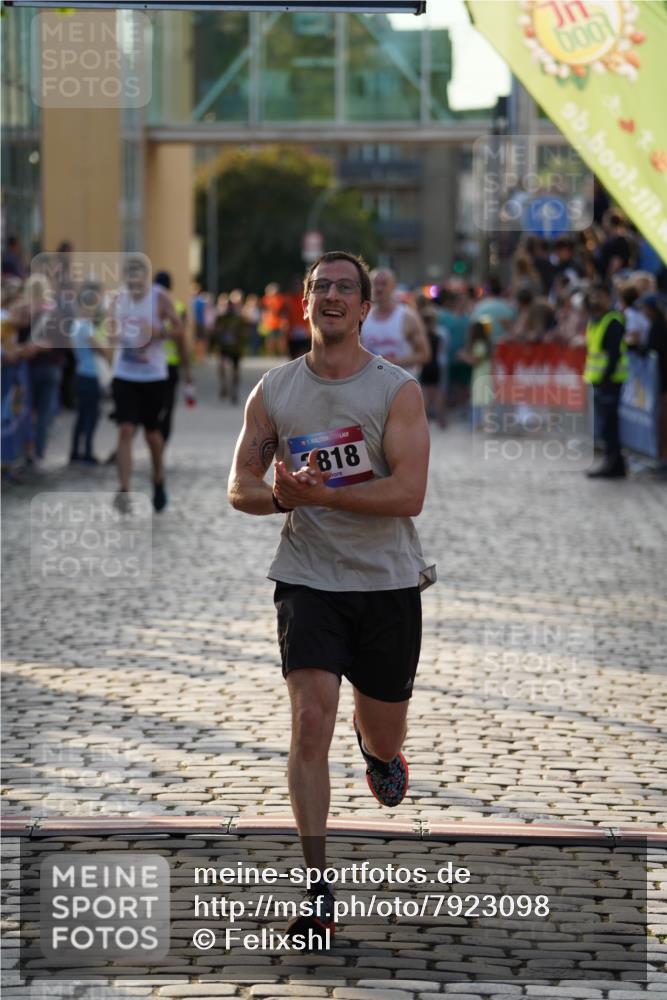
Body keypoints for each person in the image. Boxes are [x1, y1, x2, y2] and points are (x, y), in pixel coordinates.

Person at [228, 250, 432, 942]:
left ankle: (377, 755)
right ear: (305, 302)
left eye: (347, 288)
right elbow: (241, 486)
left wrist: (326, 489)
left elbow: (410, 493)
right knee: (309, 722)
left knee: (382, 727)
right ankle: (317, 887)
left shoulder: (394, 390)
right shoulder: (275, 392)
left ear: (367, 307)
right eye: (321, 288)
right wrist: (279, 494)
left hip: (385, 584)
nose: (333, 297)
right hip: (308, 577)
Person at [109, 257, 185, 512]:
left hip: (153, 376)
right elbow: (109, 329)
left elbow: (179, 328)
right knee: (125, 430)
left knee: (152, 434)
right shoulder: (118, 298)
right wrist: (118, 334)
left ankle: (158, 478)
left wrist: (158, 333)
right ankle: (124, 489)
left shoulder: (159, 297)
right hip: (124, 373)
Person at [583, 282, 628, 478]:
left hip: (610, 380)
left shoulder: (612, 320)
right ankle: (613, 462)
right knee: (606, 426)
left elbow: (613, 354)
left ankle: (614, 464)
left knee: (610, 426)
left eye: (599, 296)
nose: (595, 300)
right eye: (593, 296)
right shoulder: (595, 320)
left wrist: (606, 378)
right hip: (598, 380)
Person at [69, 283, 111, 465]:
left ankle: (75, 451)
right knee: (91, 415)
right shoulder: (86, 327)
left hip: (81, 373)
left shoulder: (75, 325)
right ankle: (87, 451)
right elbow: (102, 349)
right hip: (90, 375)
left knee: (82, 415)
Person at [361, 268, 430, 376]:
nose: (379, 288)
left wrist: (392, 362)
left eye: (384, 284)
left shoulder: (407, 317)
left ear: (394, 287)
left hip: (402, 385)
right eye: (375, 284)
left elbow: (424, 354)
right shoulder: (363, 317)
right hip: (372, 386)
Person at [154, 270, 193, 444]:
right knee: (167, 410)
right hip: (169, 366)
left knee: (148, 410)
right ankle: (160, 449)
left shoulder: (146, 306)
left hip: (150, 366)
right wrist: (188, 371)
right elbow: (181, 341)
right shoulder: (177, 307)